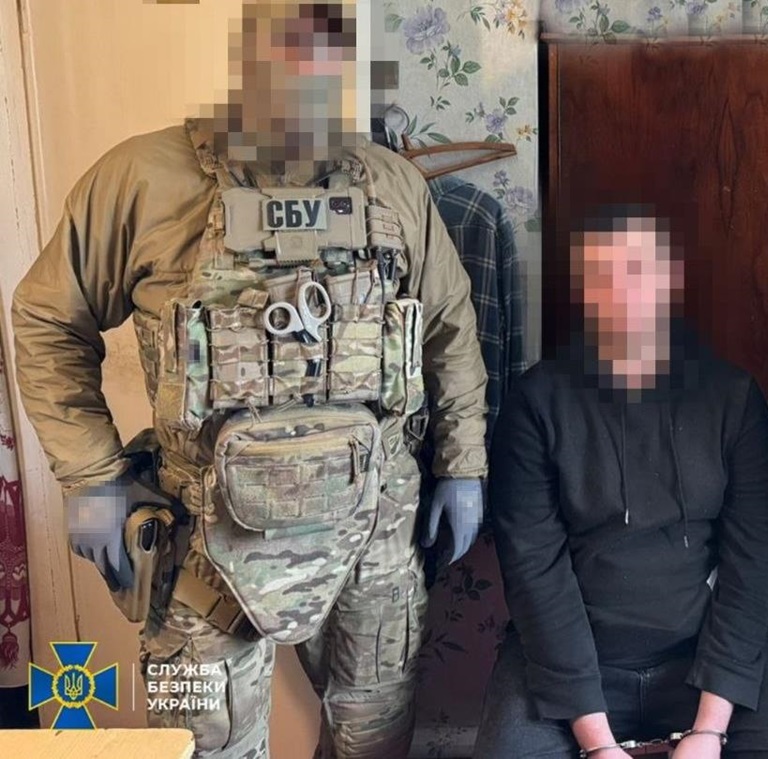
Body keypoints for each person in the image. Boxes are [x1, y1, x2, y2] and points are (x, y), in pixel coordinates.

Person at [11, 1, 488, 756]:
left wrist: (463, 465)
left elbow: (449, 330)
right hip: (202, 547)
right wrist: (92, 477)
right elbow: (47, 319)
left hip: (375, 532)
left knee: (375, 732)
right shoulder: (142, 179)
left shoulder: (392, 184)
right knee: (205, 744)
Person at [475, 207, 768, 758]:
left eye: (637, 271)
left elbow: (753, 565)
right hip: (574, 666)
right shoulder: (536, 404)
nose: (623, 294)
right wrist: (598, 745)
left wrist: (709, 730)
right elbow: (535, 576)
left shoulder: (731, 398)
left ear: (670, 280)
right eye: (602, 276)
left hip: (703, 661)